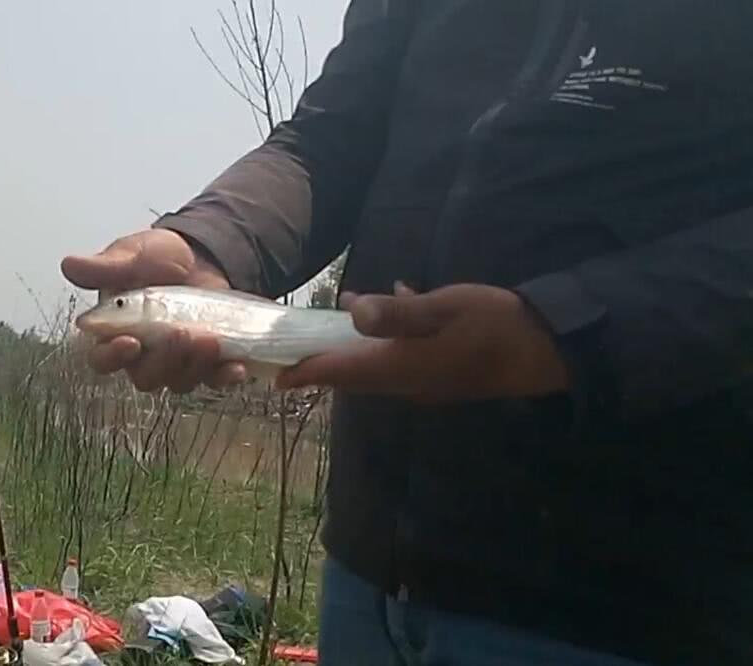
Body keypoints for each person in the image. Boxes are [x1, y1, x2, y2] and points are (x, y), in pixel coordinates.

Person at [61, 2, 753, 665]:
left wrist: (560, 330)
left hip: (628, 611)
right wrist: (210, 244)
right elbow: (330, 138)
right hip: (367, 591)